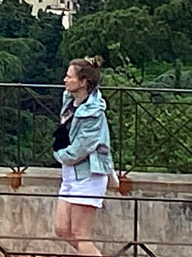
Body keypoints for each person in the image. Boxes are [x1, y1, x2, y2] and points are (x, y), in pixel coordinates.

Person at [52, 56, 115, 256]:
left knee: (81, 234)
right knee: (62, 229)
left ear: (83, 82)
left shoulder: (94, 113)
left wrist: (58, 154)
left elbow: (80, 149)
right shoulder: (72, 102)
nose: (65, 80)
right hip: (71, 174)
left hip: (89, 174)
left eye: (69, 77)